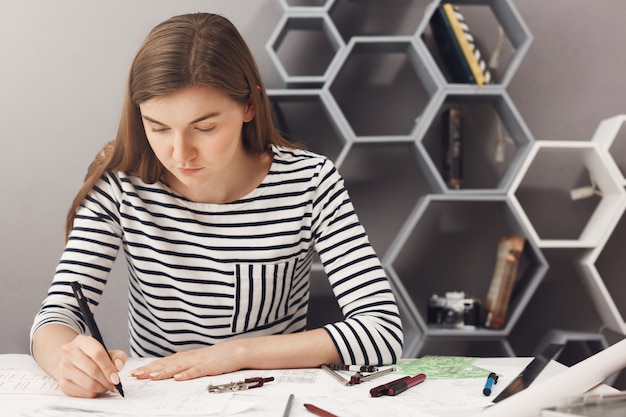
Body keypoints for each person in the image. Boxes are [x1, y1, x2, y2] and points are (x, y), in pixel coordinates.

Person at [30, 12, 403, 398]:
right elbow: (55, 317)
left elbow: (382, 331)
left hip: (270, 400)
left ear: (249, 106)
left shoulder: (310, 182)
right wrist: (65, 360)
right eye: (157, 127)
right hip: (156, 401)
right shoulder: (122, 184)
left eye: (204, 128)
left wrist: (238, 353)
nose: (179, 153)